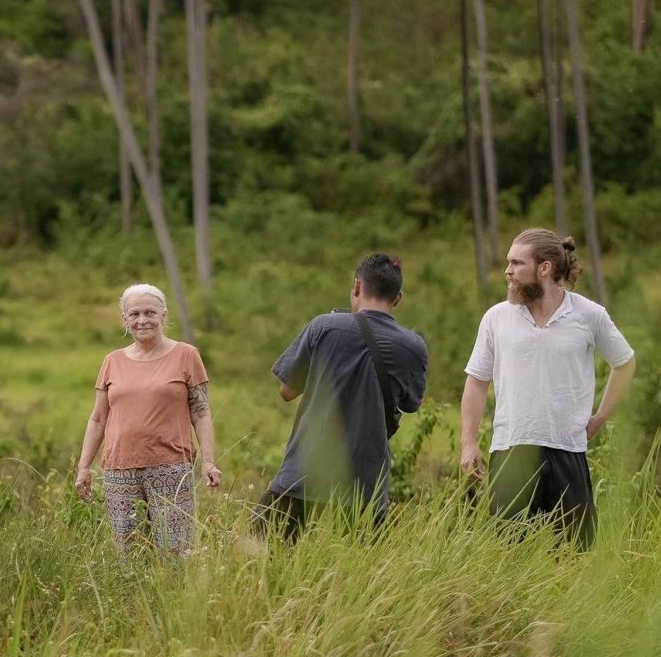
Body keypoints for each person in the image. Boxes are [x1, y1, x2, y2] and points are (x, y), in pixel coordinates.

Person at [460, 229, 636, 548]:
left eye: (516, 263)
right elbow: (476, 381)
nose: (508, 271)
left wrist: (599, 419)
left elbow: (625, 364)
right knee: (506, 557)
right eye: (508, 262)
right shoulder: (496, 318)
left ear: (545, 268)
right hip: (511, 450)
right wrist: (468, 443)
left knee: (573, 557)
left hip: (567, 451)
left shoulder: (589, 315)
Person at [256, 254, 429, 540]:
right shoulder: (413, 346)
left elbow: (287, 391)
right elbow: (412, 404)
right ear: (397, 299)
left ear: (357, 287)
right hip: (366, 483)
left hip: (304, 472)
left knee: (259, 557)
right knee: (357, 575)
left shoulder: (323, 326)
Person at [75, 283, 222, 555]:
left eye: (150, 312)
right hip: (120, 470)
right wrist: (84, 467)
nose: (142, 320)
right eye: (134, 314)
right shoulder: (112, 361)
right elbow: (97, 419)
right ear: (125, 320)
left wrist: (209, 462)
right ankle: (133, 599)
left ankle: (175, 598)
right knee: (129, 556)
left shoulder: (186, 355)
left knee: (177, 555)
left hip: (171, 468)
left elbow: (201, 413)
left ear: (164, 316)